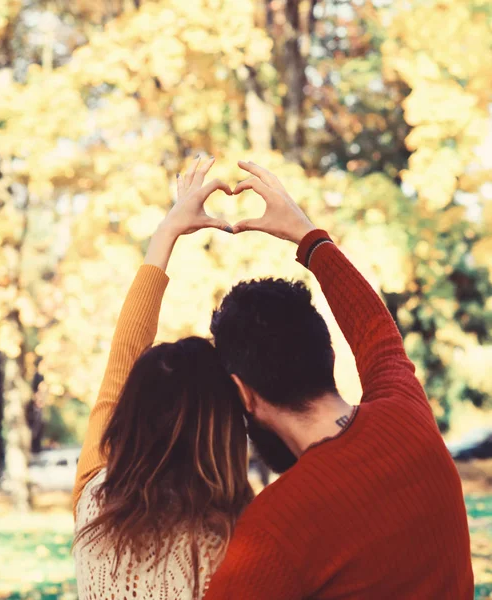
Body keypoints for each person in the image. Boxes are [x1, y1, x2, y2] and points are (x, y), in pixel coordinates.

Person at [205, 161, 474, 599]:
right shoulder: (408, 420)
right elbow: (377, 334)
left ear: (243, 394)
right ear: (328, 353)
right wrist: (309, 238)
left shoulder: (271, 532)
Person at [72, 157, 254, 600]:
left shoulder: (92, 505)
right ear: (225, 426)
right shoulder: (243, 541)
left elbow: (121, 363)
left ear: (130, 413)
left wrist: (167, 232)